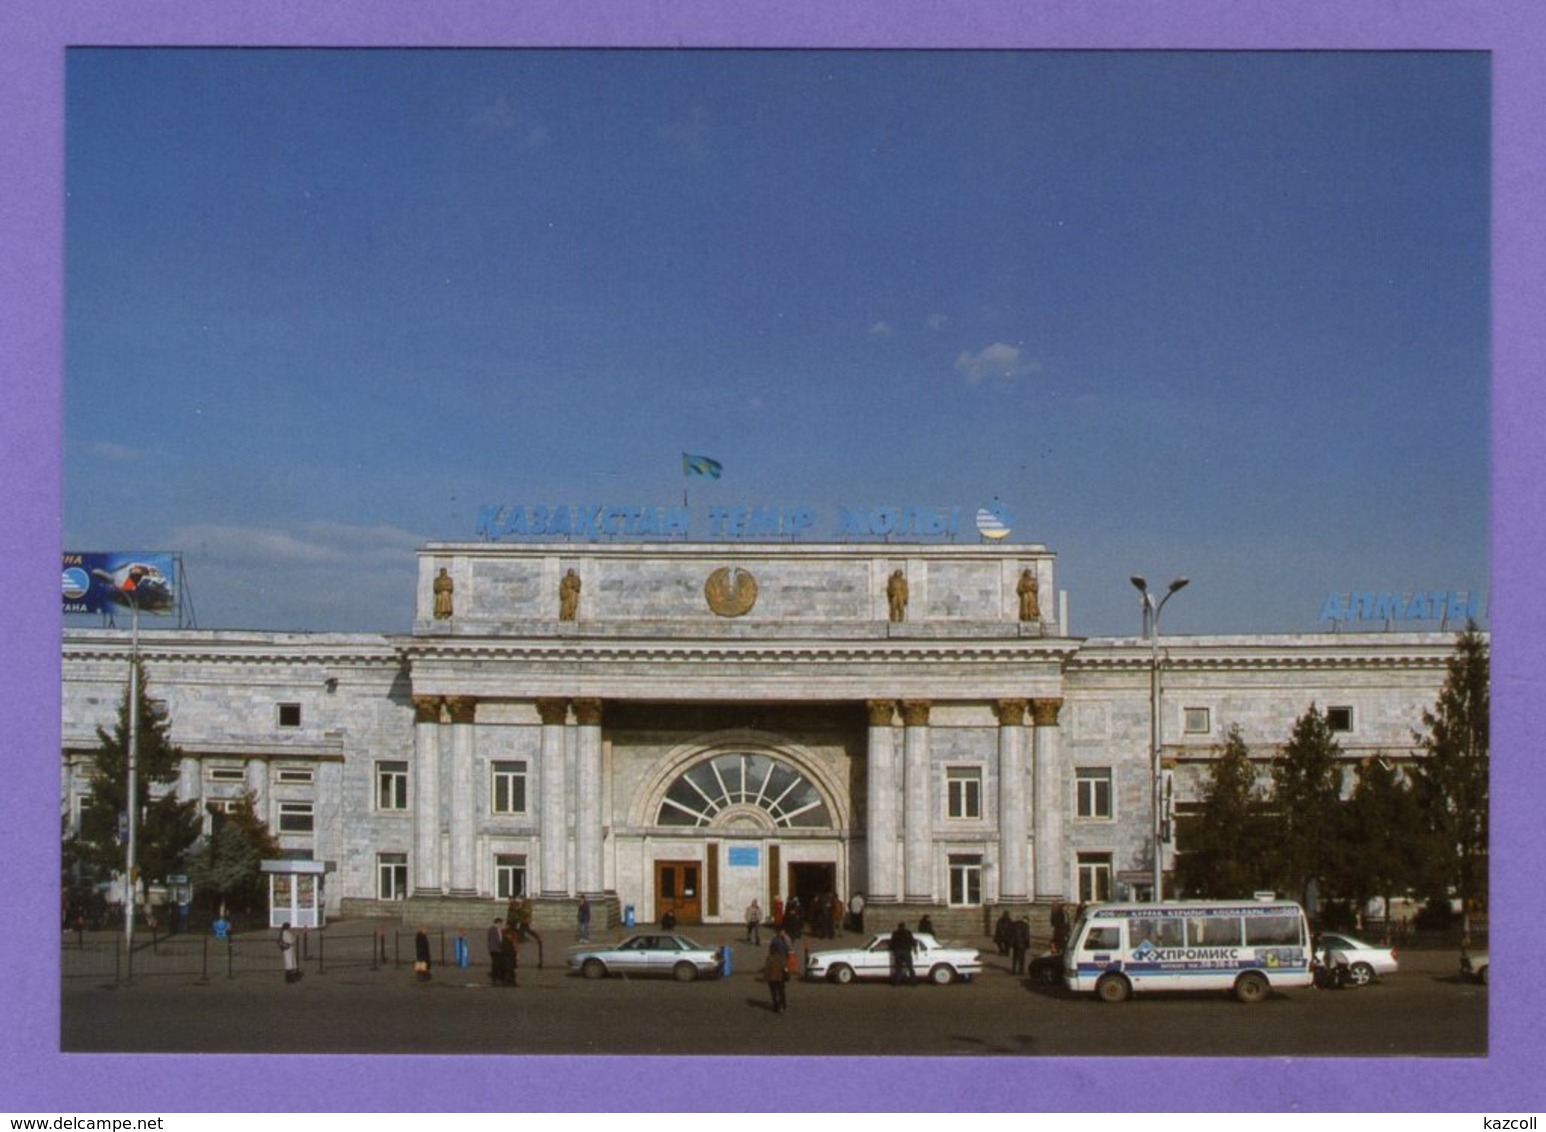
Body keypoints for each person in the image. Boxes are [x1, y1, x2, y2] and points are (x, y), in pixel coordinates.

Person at [764, 935, 791, 1014]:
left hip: (772, 978)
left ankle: (776, 1006)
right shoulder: (781, 957)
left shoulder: (769, 958)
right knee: (781, 992)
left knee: (774, 993)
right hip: (780, 977)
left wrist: (766, 977)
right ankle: (783, 1005)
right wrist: (787, 975)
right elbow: (785, 967)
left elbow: (767, 969)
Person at [889, 921, 917, 985]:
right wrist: (914, 949)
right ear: (904, 926)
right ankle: (913, 982)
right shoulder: (908, 932)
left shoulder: (895, 933)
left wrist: (893, 950)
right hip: (906, 951)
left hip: (898, 952)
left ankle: (897, 982)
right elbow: (912, 941)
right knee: (910, 967)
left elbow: (892, 943)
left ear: (898, 927)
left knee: (898, 968)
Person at [487, 918, 506, 985]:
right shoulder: (497, 930)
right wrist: (502, 945)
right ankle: (496, 975)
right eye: (501, 923)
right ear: (498, 923)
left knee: (495, 962)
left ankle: (495, 975)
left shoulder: (490, 929)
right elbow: (498, 940)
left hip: (492, 949)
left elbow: (489, 939)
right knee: (497, 963)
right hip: (497, 949)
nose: (501, 925)